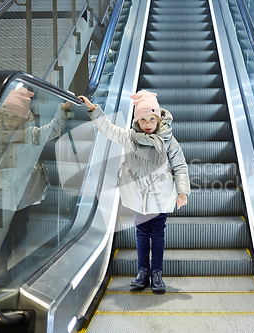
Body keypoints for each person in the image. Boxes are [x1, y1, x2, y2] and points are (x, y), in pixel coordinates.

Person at [74, 90, 190, 292]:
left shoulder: (168, 140)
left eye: (151, 119)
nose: (147, 124)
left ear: (158, 119)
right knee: (142, 233)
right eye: (142, 119)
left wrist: (182, 192)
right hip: (139, 198)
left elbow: (180, 165)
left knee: (158, 234)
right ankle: (143, 271)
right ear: (137, 120)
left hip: (161, 197)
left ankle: (156, 273)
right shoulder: (130, 137)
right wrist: (94, 110)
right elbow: (109, 130)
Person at [0, 86, 70, 279]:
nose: (10, 121)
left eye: (15, 117)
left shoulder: (31, 136)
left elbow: (52, 131)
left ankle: (18, 267)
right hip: (0, 193)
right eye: (7, 116)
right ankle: (0, 270)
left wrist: (63, 110)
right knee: (1, 233)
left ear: (24, 118)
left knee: (19, 228)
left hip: (22, 194)